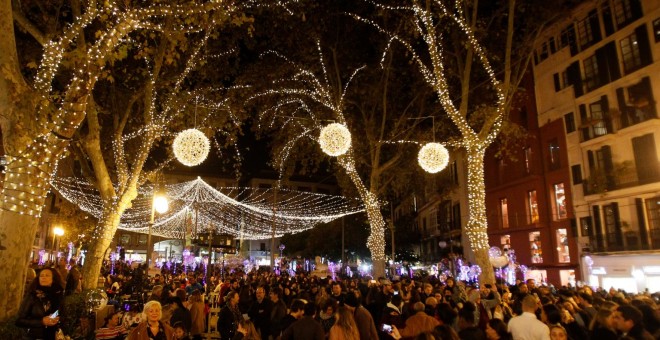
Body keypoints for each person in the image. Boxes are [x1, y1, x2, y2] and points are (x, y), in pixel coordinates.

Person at [16, 267, 64, 340]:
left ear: (53, 279)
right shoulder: (32, 295)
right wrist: (42, 321)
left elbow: (59, 311)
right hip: (34, 336)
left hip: (51, 335)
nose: (43, 277)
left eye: (47, 275)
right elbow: (19, 321)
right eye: (41, 276)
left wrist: (56, 317)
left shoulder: (58, 294)